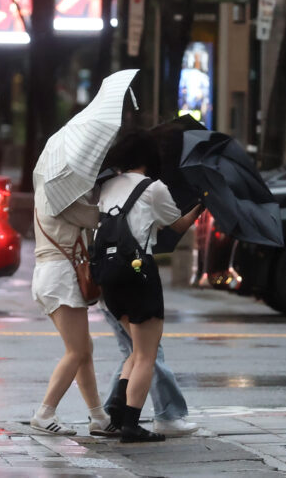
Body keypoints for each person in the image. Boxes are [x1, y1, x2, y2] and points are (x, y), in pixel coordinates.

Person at [97, 130, 203, 442]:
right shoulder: (153, 188)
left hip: (109, 278)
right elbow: (178, 225)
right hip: (139, 275)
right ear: (148, 158)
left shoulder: (106, 186)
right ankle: (131, 424)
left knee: (135, 350)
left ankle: (117, 411)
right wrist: (201, 206)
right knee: (147, 353)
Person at [29, 184, 120, 437]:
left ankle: (99, 416)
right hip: (59, 275)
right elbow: (96, 218)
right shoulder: (61, 195)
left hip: (49, 275)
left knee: (84, 348)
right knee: (77, 350)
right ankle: (45, 413)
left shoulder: (46, 190)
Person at [101, 307, 199, 436]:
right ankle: (167, 415)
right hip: (132, 299)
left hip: (113, 299)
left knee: (135, 354)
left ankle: (114, 413)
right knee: (147, 352)